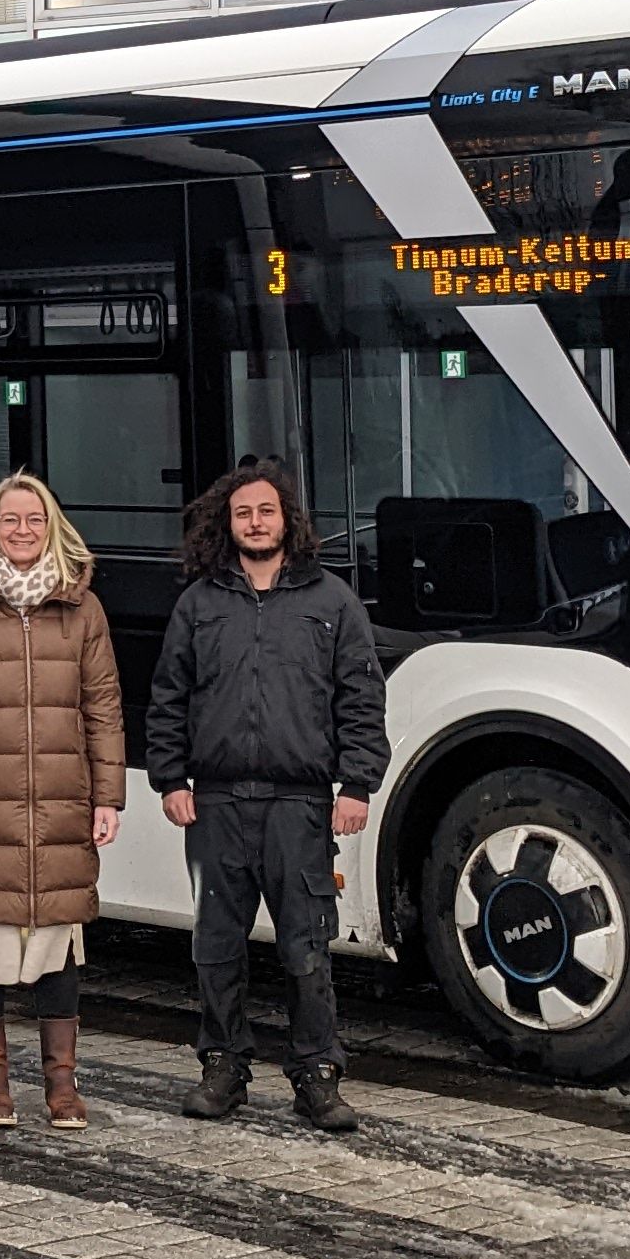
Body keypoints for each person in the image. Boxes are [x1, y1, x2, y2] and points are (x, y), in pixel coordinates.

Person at [146, 463, 388, 1131]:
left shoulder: (331, 602)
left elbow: (361, 699)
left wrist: (357, 783)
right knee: (216, 945)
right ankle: (223, 1068)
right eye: (243, 513)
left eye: (266, 511)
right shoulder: (199, 603)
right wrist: (169, 778)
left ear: (289, 521)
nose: (255, 522)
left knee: (306, 947)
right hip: (216, 804)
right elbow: (167, 696)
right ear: (228, 524)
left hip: (300, 804)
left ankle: (317, 1075)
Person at [0, 470, 126, 1132]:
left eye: (35, 519)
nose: (23, 530)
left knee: (59, 942)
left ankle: (62, 1084)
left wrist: (108, 795)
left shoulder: (82, 609)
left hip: (63, 801)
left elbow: (104, 707)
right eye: (10, 520)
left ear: (53, 526)